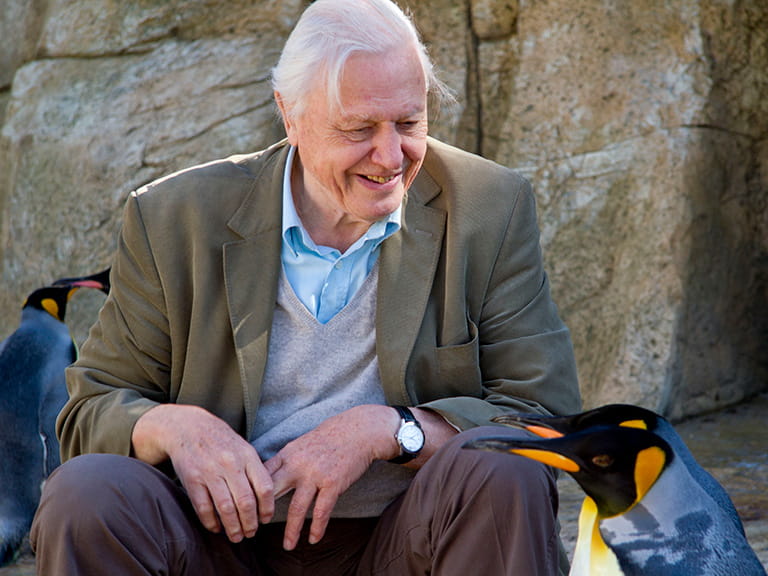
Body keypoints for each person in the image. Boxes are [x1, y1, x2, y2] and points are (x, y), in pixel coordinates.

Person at [31, 0, 581, 574]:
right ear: (289, 115)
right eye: (359, 128)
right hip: (215, 548)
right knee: (86, 494)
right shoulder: (172, 217)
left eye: (410, 122)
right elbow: (89, 414)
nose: (392, 156)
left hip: (404, 544)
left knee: (502, 468)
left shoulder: (490, 207)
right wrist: (173, 426)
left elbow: (542, 416)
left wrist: (394, 430)